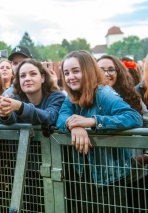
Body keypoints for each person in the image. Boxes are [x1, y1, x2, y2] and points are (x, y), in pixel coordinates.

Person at [56, 50, 143, 212]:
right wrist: (75, 125)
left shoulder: (103, 92)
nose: (70, 77)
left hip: (110, 178)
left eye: (76, 71)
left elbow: (133, 116)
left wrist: (93, 121)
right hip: (84, 175)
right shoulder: (72, 96)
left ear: (88, 70)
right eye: (66, 73)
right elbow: (61, 117)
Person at [0, 59, 65, 126]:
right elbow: (12, 120)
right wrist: (4, 113)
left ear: (42, 78)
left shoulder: (57, 97)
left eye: (33, 74)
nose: (27, 79)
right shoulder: (16, 98)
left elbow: (50, 117)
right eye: (23, 76)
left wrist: (21, 107)